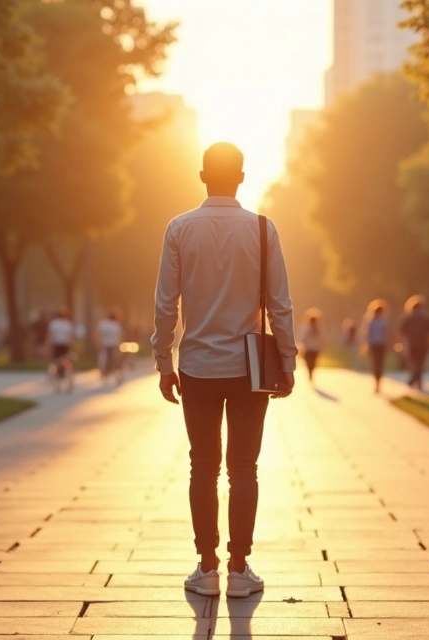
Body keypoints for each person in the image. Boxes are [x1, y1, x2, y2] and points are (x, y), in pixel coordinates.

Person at [152, 142, 296, 600]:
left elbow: (164, 305)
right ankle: (239, 568)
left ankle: (206, 566)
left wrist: (163, 362)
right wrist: (288, 361)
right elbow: (280, 303)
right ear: (241, 177)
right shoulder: (261, 229)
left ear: (201, 176)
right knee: (244, 468)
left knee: (203, 467)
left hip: (197, 366)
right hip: (249, 367)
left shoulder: (178, 228)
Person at [400, 296, 429, 391]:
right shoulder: (426, 319)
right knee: (420, 364)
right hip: (423, 345)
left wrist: (403, 344)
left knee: (414, 364)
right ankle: (417, 383)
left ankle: (414, 381)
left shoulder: (407, 318)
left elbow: (403, 333)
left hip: (412, 344)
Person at [363, 301, 389, 393]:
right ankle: (378, 381)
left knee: (376, 363)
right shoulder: (383, 322)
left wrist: (367, 345)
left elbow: (368, 335)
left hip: (374, 345)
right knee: (379, 363)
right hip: (380, 345)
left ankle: (377, 381)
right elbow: (386, 334)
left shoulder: (371, 321)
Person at [96, 311, 123, 381]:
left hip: (104, 345)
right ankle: (118, 373)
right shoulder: (116, 325)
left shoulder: (103, 324)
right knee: (116, 360)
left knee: (102, 359)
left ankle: (103, 372)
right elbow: (118, 337)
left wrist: (98, 343)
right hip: (113, 345)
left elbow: (98, 334)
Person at [298, 309, 324, 383]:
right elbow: (302, 338)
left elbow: (321, 338)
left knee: (313, 362)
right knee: (308, 362)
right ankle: (310, 372)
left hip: (315, 348)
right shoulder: (306, 328)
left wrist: (322, 346)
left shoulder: (318, 328)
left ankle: (311, 373)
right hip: (308, 348)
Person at [46, 308, 74, 372]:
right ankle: (68, 373)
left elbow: (49, 336)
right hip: (65, 344)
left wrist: (48, 346)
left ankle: (54, 371)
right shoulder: (68, 324)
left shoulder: (53, 324)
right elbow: (70, 336)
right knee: (66, 360)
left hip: (56, 344)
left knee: (55, 360)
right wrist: (71, 346)